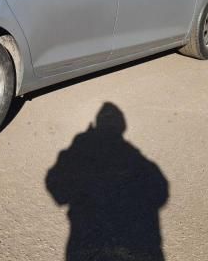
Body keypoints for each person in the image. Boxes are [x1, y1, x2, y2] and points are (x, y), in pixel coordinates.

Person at [46, 102, 169, 261]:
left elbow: (57, 189)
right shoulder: (136, 158)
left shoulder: (79, 150)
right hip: (136, 246)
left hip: (87, 245)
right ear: (122, 127)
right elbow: (161, 192)